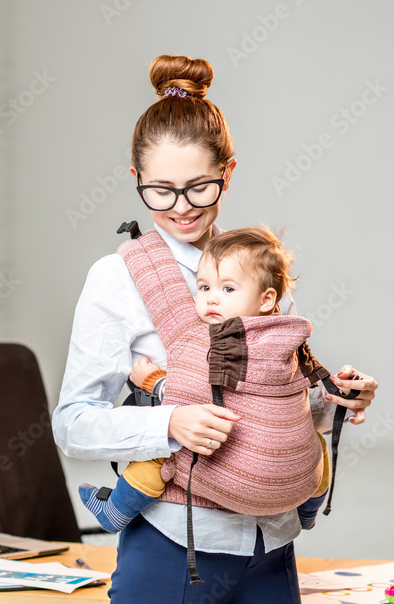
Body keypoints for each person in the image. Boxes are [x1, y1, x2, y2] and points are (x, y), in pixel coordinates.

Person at [51, 53, 378, 604]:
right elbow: (71, 421)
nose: (180, 206)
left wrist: (334, 401)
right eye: (159, 190)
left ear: (229, 172)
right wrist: (167, 423)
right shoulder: (117, 278)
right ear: (134, 177)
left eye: (199, 186)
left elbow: (272, 400)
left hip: (268, 542)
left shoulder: (253, 267)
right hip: (175, 548)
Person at [77, 225, 334, 534]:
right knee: (314, 444)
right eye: (203, 287)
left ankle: (115, 511)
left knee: (160, 452)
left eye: (227, 289)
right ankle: (308, 511)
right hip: (293, 483)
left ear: (267, 299)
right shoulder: (287, 340)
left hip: (236, 473)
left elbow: (191, 393)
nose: (212, 299)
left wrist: (151, 380)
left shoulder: (212, 341)